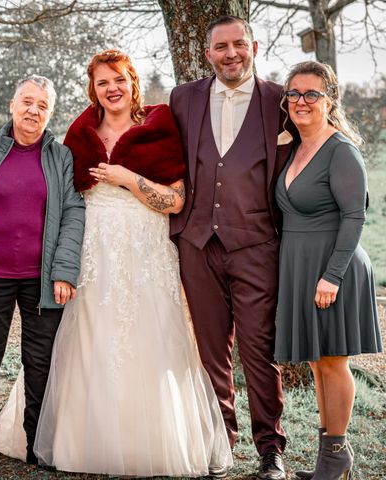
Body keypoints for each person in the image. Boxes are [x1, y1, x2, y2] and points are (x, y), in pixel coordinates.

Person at [0, 49, 233, 478]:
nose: (112, 89)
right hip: (94, 252)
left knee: (149, 338)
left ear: (132, 81)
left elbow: (175, 200)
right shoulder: (80, 133)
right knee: (87, 338)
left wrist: (128, 179)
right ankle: (80, 440)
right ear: (93, 90)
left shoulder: (158, 127)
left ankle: (149, 443)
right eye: (103, 83)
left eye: (118, 79)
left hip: (146, 251)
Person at [169, 16, 290, 480]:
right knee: (209, 350)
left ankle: (270, 449)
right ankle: (221, 442)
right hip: (197, 242)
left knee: (260, 348)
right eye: (221, 47)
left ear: (254, 46)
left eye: (239, 44)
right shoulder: (184, 98)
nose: (231, 53)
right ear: (208, 54)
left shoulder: (280, 100)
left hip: (257, 244)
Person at [0, 75, 85, 470]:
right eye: (27, 102)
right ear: (12, 105)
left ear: (51, 113)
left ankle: (38, 445)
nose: (33, 110)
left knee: (41, 362)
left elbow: (73, 216)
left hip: (42, 278)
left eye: (43, 105)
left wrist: (64, 271)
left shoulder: (61, 157)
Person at [274, 61, 382, 480]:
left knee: (334, 362)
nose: (301, 101)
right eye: (294, 94)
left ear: (330, 99)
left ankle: (337, 460)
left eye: (312, 94)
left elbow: (355, 217)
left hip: (333, 268)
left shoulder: (340, 150)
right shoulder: (297, 146)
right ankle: (330, 464)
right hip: (302, 264)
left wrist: (332, 276)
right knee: (319, 363)